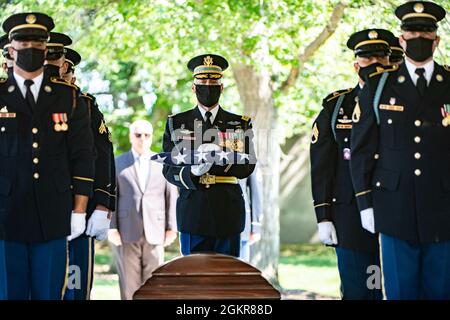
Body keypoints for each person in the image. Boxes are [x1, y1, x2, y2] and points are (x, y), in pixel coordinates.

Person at [350, 1, 450, 300]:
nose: (419, 38)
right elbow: (362, 151)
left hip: (444, 208)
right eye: (412, 32)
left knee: (441, 292)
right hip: (393, 207)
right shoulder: (379, 85)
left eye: (426, 32)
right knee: (400, 293)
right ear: (401, 39)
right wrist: (365, 204)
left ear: (437, 39)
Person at [0, 12, 95, 300]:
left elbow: (83, 155)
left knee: (50, 294)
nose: (31, 50)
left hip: (52, 214)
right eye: (24, 43)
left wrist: (79, 210)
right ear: (10, 50)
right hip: (5, 215)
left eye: (38, 44)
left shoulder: (70, 98)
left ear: (46, 50)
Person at [310, 28, 394, 300]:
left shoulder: (403, 102)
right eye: (367, 59)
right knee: (360, 292)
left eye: (381, 58)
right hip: (350, 218)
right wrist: (323, 216)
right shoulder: (337, 107)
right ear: (356, 65)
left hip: (398, 212)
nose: (375, 64)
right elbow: (322, 167)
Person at [161, 54, 256, 257]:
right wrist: (192, 171)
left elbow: (248, 166)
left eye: (213, 81)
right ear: (194, 87)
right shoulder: (177, 123)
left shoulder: (239, 123)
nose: (208, 85)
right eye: (202, 81)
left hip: (227, 212)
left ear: (221, 87)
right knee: (194, 283)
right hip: (192, 212)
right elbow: (169, 169)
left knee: (227, 283)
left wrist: (223, 156)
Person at [59, 47, 115, 300]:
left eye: (63, 70)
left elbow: (103, 156)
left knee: (76, 283)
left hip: (81, 205)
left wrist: (103, 204)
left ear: (73, 75)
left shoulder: (87, 105)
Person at [110, 119, 178, 300]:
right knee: (129, 285)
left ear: (151, 137)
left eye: (146, 135)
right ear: (131, 137)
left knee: (155, 284)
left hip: (156, 230)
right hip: (126, 232)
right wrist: (112, 227)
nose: (142, 139)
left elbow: (171, 195)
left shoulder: (163, 163)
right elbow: (111, 196)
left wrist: (172, 227)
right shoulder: (117, 162)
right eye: (138, 134)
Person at [238, 169, 263, 262]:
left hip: (241, 220)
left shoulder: (247, 155)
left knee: (241, 268)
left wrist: (256, 225)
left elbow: (256, 192)